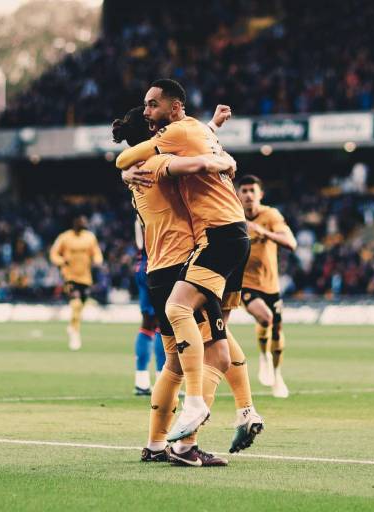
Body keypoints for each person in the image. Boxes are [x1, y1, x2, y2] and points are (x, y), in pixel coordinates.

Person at [116, 79, 262, 449]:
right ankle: (195, 435)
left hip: (157, 269)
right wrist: (220, 159)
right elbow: (191, 158)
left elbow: (187, 139)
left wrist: (210, 130)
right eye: (149, 117)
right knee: (218, 346)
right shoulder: (161, 161)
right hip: (189, 259)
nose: (155, 120)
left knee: (174, 363)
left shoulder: (138, 173)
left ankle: (155, 444)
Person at [237, 175, 297, 398]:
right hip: (245, 284)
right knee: (266, 318)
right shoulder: (233, 217)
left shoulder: (270, 216)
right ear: (238, 195)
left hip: (271, 284)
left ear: (260, 194)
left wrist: (263, 232)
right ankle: (263, 355)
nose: (248, 195)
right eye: (244, 190)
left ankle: (277, 374)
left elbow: (291, 243)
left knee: (278, 329)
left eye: (253, 190)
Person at [48, 215, 103, 350]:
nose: (84, 224)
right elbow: (53, 254)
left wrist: (97, 260)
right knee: (76, 303)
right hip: (69, 277)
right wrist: (61, 261)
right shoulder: (64, 237)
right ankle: (75, 332)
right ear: (75, 223)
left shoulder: (90, 237)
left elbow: (96, 252)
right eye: (81, 222)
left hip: (85, 277)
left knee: (80, 305)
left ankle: (72, 326)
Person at [132, 220, 166, 395]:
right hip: (154, 265)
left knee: (153, 323)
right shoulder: (148, 205)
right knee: (158, 322)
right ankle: (156, 382)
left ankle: (146, 382)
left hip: (149, 264)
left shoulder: (145, 202)